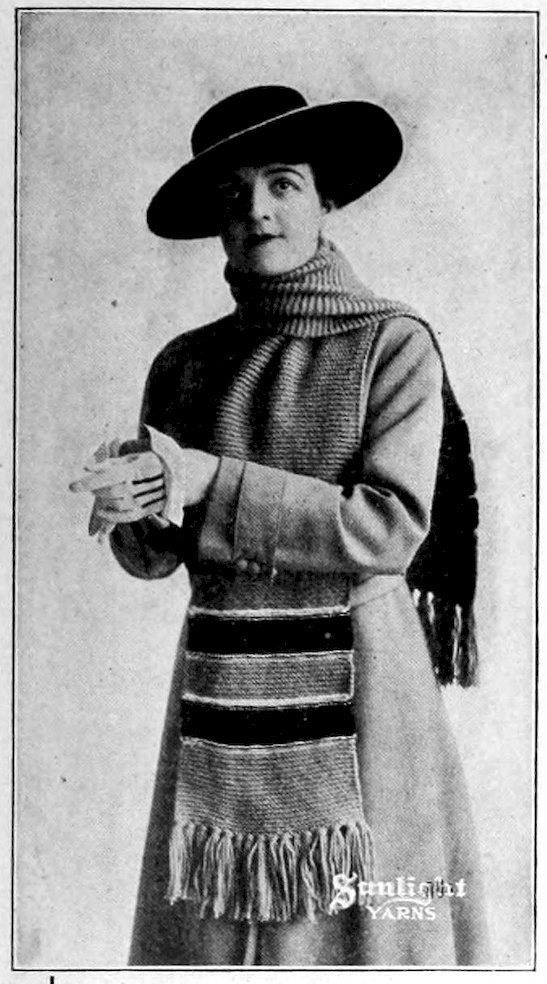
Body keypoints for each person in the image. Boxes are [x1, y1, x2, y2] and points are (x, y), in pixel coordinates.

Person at [70, 85, 491, 966]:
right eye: (233, 195)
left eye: (281, 184)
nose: (256, 210)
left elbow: (387, 529)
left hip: (365, 693)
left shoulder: (393, 343)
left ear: (326, 199)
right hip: (220, 688)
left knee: (367, 939)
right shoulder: (185, 363)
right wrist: (134, 507)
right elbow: (158, 558)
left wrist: (209, 480)